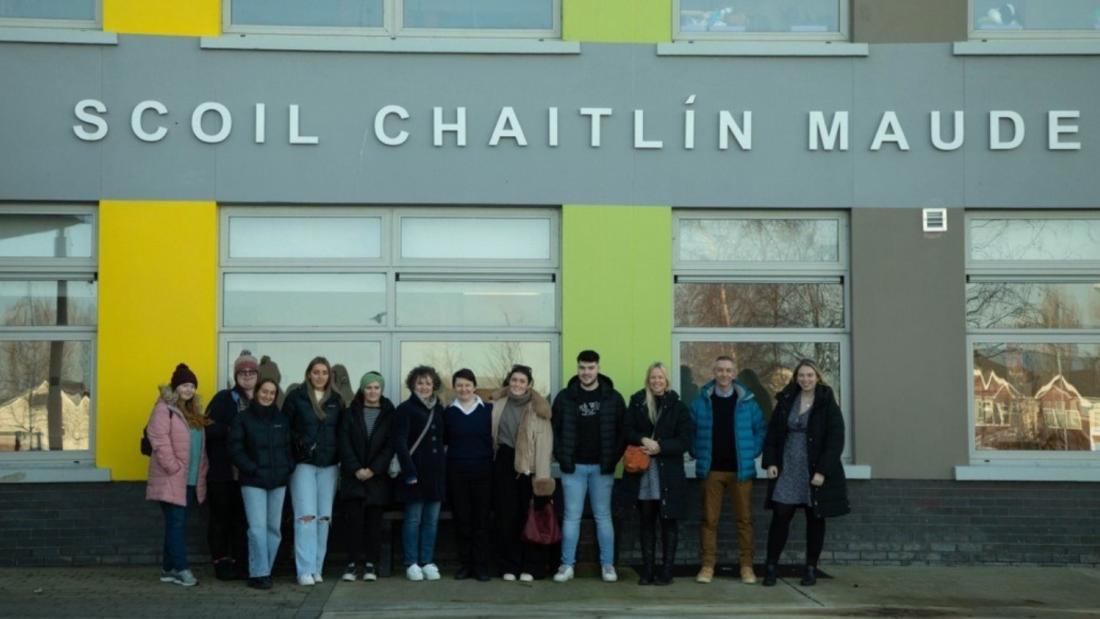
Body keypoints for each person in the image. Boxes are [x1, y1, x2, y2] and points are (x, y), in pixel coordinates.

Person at [762, 359, 849, 587]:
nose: (805, 379)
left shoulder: (827, 402)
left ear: (817, 377)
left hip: (814, 469)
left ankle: (810, 568)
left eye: (810, 375)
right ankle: (771, 567)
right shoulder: (786, 399)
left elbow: (836, 439)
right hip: (788, 467)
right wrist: (770, 461)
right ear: (796, 377)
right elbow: (772, 434)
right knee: (780, 516)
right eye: (801, 375)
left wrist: (822, 471)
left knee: (815, 519)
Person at [690, 354, 767, 585]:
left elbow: (761, 430)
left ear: (734, 374)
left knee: (744, 520)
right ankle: (707, 566)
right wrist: (696, 451)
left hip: (740, 471)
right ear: (713, 373)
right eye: (720, 370)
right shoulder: (701, 402)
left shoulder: (748, 402)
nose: (724, 374)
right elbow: (690, 432)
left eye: (728, 370)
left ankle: (746, 566)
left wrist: (750, 451)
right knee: (709, 521)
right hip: (711, 471)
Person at [551, 350, 625, 583]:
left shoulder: (613, 397)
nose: (586, 372)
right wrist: (563, 458)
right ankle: (567, 566)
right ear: (577, 368)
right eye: (582, 367)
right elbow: (554, 431)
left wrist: (612, 459)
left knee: (603, 516)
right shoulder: (565, 397)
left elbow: (622, 432)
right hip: (573, 468)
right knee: (571, 516)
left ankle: (608, 565)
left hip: (602, 468)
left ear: (598, 368)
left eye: (591, 368)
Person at [621, 362, 695, 585]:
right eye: (653, 377)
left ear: (667, 380)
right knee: (646, 522)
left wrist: (660, 447)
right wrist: (642, 439)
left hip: (669, 474)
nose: (656, 381)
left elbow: (685, 440)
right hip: (643, 473)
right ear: (648, 379)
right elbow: (626, 430)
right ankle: (647, 571)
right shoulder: (636, 402)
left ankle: (667, 572)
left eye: (660, 377)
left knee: (668, 523)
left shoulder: (678, 407)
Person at [145, 363, 209, 587]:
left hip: (190, 480)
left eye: (191, 385)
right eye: (184, 384)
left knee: (175, 524)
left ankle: (168, 568)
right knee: (176, 524)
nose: (188, 389)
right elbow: (158, 438)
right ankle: (182, 569)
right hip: (173, 478)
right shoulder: (164, 409)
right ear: (175, 387)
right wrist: (173, 467)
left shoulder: (194, 413)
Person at [490, 364, 554, 583]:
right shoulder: (498, 403)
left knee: (530, 517)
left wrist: (542, 479)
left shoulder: (539, 408)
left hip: (531, 467)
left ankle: (531, 567)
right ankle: (509, 565)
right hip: (504, 464)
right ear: (509, 381)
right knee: (506, 517)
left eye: (522, 381)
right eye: (514, 380)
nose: (517, 384)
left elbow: (545, 446)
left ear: (529, 385)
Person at [283, 356, 344, 586]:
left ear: (330, 376)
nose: (320, 376)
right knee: (306, 517)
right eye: (316, 372)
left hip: (329, 465)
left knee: (323, 519)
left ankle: (317, 568)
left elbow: (341, 432)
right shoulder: (295, 397)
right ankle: (304, 569)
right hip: (303, 464)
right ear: (309, 374)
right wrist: (300, 442)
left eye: (324, 372)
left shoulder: (337, 400)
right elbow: (284, 429)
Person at [230, 378, 294, 590]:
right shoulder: (243, 419)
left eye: (272, 393)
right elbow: (236, 449)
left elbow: (289, 448)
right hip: (253, 482)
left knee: (273, 529)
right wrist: (252, 469)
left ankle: (263, 568)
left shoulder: (282, 419)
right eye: (264, 392)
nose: (268, 396)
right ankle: (259, 572)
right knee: (257, 529)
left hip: (278, 481)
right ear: (256, 393)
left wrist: (287, 468)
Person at [337, 371, 395, 583]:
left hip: (377, 478)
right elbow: (343, 442)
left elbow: (390, 445)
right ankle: (352, 564)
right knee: (353, 524)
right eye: (368, 387)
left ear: (381, 389)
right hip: (353, 477)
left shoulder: (389, 412)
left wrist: (373, 469)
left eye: (376, 387)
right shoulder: (350, 412)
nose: (372, 391)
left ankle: (371, 563)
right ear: (362, 389)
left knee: (373, 525)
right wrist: (356, 469)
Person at [204, 349, 256, 581]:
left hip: (250, 474)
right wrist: (232, 431)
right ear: (235, 375)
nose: (247, 375)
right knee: (220, 519)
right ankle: (221, 561)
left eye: (251, 371)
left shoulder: (263, 398)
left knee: (242, 521)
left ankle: (241, 561)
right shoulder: (223, 398)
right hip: (223, 473)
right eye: (242, 371)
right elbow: (208, 426)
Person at [393, 365, 446, 582]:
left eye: (428, 382)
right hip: (414, 473)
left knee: (431, 521)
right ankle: (411, 562)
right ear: (413, 385)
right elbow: (400, 442)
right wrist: (409, 471)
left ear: (434, 385)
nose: (424, 386)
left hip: (436, 475)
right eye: (420, 382)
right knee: (413, 520)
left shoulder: (439, 409)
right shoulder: (405, 409)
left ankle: (427, 561)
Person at [442, 369, 494, 582]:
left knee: (480, 521)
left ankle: (480, 566)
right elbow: (444, 443)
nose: (464, 389)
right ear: (455, 388)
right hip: (457, 473)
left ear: (474, 386)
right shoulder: (448, 413)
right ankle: (465, 565)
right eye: (459, 385)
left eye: (467, 385)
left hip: (483, 472)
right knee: (462, 520)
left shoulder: (488, 410)